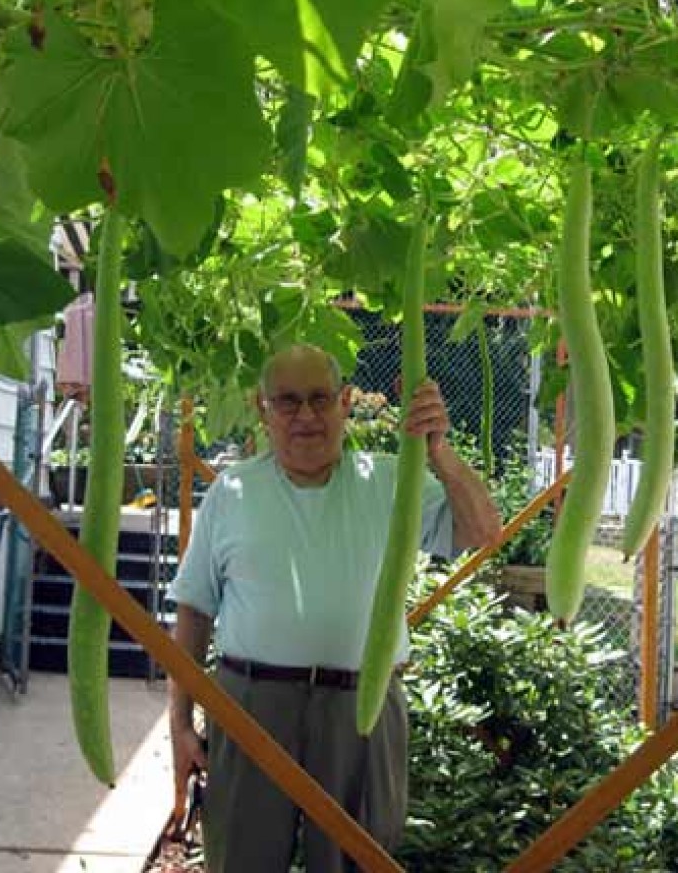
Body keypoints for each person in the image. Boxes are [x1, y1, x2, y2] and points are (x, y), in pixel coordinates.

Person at [168, 343, 502, 873]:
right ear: (263, 407)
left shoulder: (392, 479)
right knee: (242, 860)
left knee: (358, 860)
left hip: (361, 710)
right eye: (288, 401)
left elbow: (485, 531)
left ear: (346, 402)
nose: (306, 416)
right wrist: (180, 725)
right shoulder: (232, 491)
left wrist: (441, 452)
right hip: (251, 704)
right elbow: (194, 613)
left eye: (320, 399)